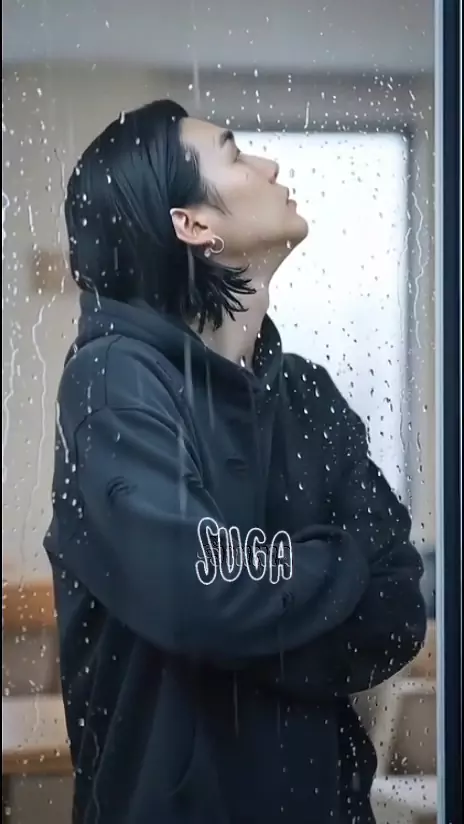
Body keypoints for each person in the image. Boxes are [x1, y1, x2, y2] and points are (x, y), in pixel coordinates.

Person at [44, 99, 426, 824]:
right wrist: (342, 562)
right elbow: (197, 592)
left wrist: (241, 626)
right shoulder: (114, 381)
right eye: (235, 153)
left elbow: (398, 608)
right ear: (193, 224)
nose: (269, 165)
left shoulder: (306, 394)